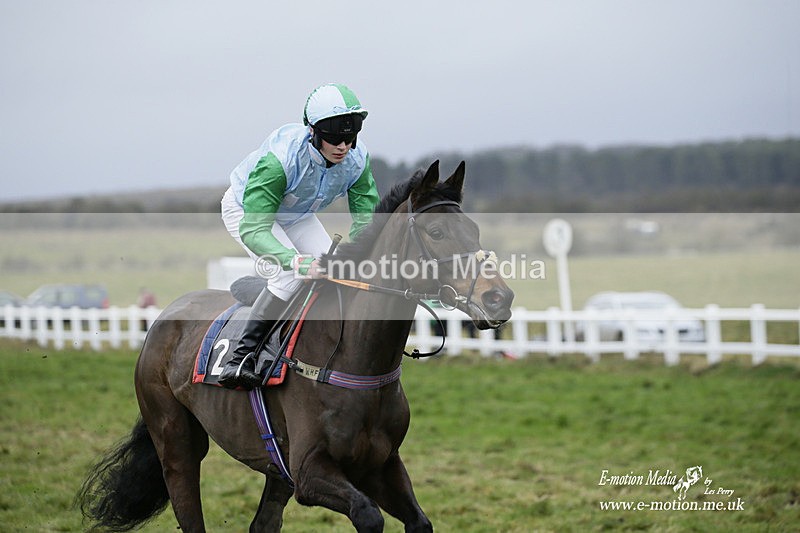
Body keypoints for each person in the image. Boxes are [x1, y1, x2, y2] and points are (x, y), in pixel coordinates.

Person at [218, 83, 380, 389]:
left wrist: (360, 256)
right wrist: (299, 263)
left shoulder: (358, 161)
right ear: (313, 132)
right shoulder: (279, 161)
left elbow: (366, 220)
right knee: (290, 276)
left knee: (335, 274)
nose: (343, 146)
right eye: (334, 137)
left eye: (350, 136)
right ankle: (240, 358)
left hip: (297, 215)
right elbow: (255, 230)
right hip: (248, 213)